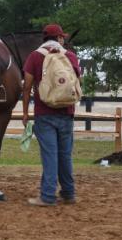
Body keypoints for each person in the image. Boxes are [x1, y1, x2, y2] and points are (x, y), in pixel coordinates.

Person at [22, 23, 81, 207]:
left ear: (44, 38)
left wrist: (25, 113)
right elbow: (77, 80)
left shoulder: (35, 57)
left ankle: (47, 196)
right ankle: (69, 193)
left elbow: (26, 86)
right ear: (59, 38)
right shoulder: (70, 56)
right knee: (65, 155)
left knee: (50, 155)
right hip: (67, 113)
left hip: (44, 113)